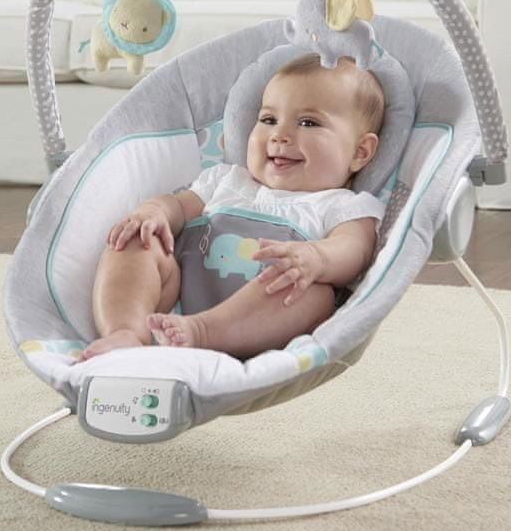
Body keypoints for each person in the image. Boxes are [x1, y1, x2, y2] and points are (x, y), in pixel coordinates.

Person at [77, 54, 386, 363]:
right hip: (176, 300)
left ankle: (202, 331)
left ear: (360, 152)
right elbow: (178, 207)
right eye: (268, 119)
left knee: (313, 293)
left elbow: (355, 251)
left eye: (308, 123)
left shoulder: (342, 204)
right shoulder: (226, 179)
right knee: (139, 236)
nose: (279, 135)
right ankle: (126, 332)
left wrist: (317, 258)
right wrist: (154, 211)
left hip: (265, 320)